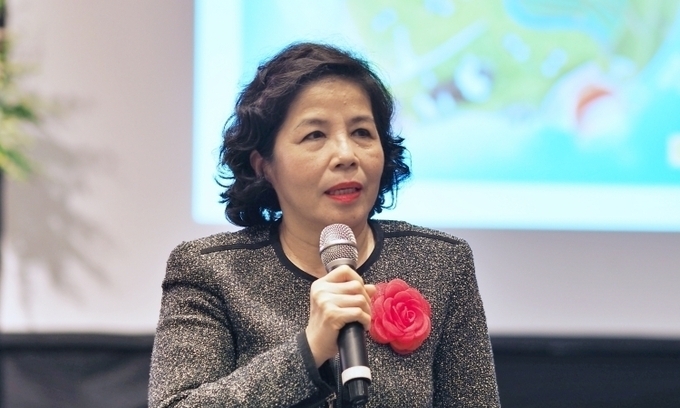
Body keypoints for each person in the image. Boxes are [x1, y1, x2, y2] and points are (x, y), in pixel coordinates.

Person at [149, 42, 500, 407]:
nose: (346, 155)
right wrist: (310, 348)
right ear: (264, 165)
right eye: (315, 135)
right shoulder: (212, 271)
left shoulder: (441, 263)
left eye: (362, 132)